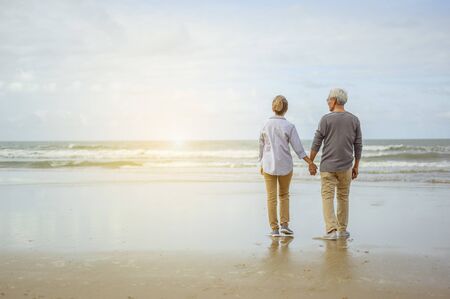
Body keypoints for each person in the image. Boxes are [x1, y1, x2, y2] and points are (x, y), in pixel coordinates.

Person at [258, 95, 317, 237]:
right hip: (285, 165)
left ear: (273, 108)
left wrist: (261, 162)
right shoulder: (289, 126)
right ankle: (284, 225)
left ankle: (274, 229)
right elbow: (298, 149)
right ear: (286, 109)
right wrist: (310, 162)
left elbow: (261, 146)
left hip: (268, 165)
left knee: (271, 198)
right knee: (284, 195)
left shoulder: (265, 125)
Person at [309, 88, 362, 240]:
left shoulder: (326, 119)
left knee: (327, 196)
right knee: (343, 197)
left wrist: (311, 161)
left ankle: (331, 230)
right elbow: (358, 145)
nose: (327, 102)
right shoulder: (354, 119)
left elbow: (316, 142)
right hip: (346, 166)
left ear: (334, 100)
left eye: (328, 100)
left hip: (328, 167)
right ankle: (342, 230)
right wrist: (356, 166)